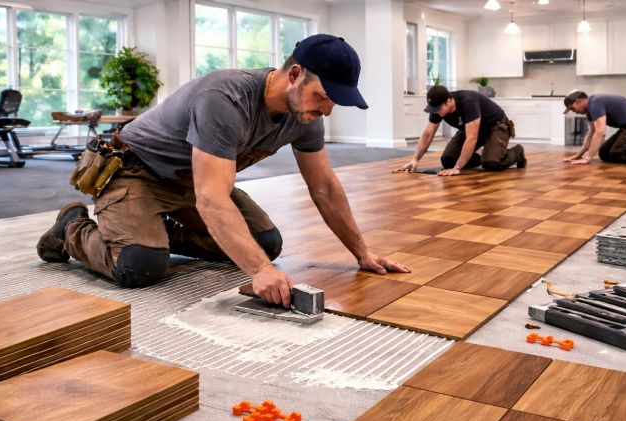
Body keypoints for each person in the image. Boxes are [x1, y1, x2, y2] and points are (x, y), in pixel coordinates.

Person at [37, 34, 409, 307]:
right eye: (323, 97)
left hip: (191, 183)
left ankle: (155, 231)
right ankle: (71, 228)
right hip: (136, 173)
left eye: (334, 103)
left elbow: (324, 187)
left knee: (265, 245)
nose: (327, 110)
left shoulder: (304, 117)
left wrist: (361, 253)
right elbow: (212, 197)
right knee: (140, 265)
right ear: (295, 74)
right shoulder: (225, 98)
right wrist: (259, 272)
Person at [395, 85, 526, 175]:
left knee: (491, 163)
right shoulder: (437, 109)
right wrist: (415, 159)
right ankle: (483, 157)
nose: (435, 112)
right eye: (433, 109)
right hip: (471, 129)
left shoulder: (468, 102)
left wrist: (457, 168)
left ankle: (517, 152)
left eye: (438, 109)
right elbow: (428, 134)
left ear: (449, 101)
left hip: (495, 127)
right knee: (448, 160)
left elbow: (471, 139)